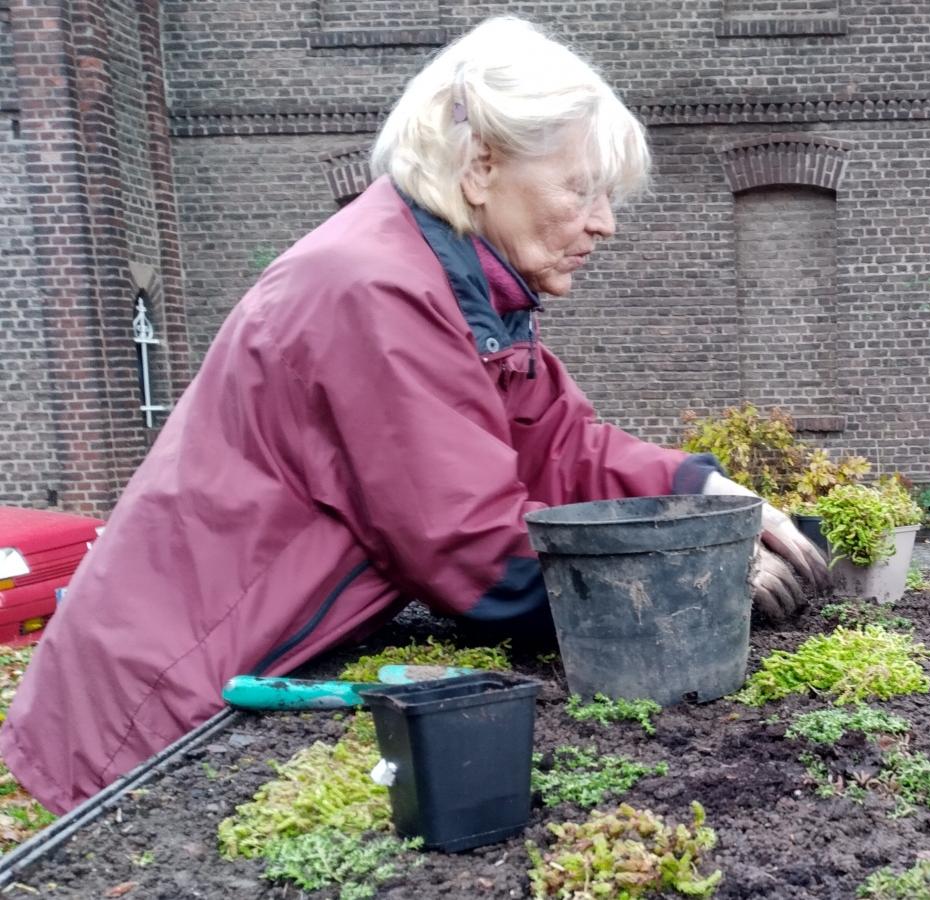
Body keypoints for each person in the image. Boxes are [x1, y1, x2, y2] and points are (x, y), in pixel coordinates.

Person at [0, 16, 828, 814]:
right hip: (154, 705)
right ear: (479, 167)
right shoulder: (373, 290)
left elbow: (563, 444)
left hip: (222, 660)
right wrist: (696, 585)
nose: (604, 223)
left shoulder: (466, 289)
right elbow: (477, 553)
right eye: (581, 189)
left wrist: (710, 494)